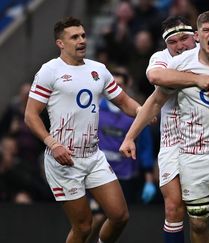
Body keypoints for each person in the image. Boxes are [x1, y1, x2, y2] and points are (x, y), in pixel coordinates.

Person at [121, 11, 209, 243]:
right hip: (180, 145)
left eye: (183, 39)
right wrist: (197, 79)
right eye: (172, 42)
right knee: (186, 215)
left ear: (195, 37)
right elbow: (156, 80)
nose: (179, 46)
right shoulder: (169, 62)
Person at [24, 17, 141, 243]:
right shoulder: (50, 71)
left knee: (119, 216)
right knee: (84, 226)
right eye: (74, 37)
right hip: (64, 160)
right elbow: (30, 115)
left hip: (93, 156)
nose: (81, 41)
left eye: (83, 36)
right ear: (60, 43)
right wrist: (53, 144)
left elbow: (125, 102)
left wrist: (144, 111)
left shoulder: (99, 70)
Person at [86, 69, 155, 243]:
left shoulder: (135, 113)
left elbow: (145, 147)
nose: (115, 89)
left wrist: (148, 181)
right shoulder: (94, 109)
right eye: (113, 85)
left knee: (119, 219)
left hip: (126, 176)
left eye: (120, 85)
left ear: (127, 86)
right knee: (97, 217)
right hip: (98, 173)